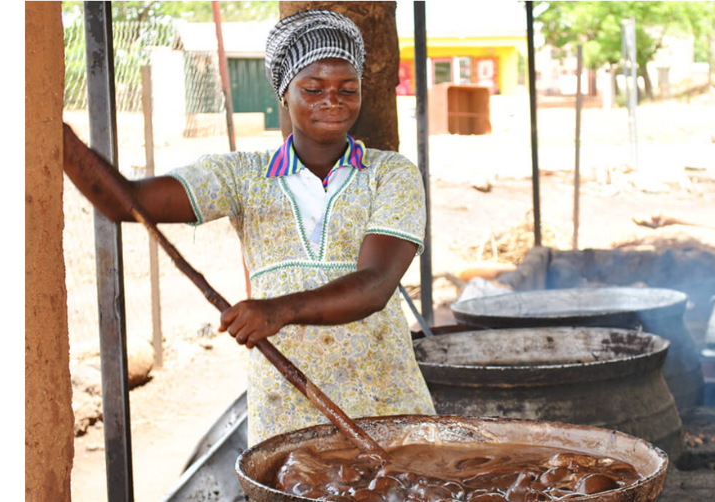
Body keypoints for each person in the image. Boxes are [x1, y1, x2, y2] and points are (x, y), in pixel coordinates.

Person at [63, 9, 436, 446]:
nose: (332, 101)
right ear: (284, 92)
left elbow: (375, 287)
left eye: (347, 89)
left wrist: (278, 310)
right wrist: (57, 134)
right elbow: (125, 201)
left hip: (386, 407)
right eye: (313, 88)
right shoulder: (243, 177)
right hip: (289, 414)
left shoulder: (390, 174)